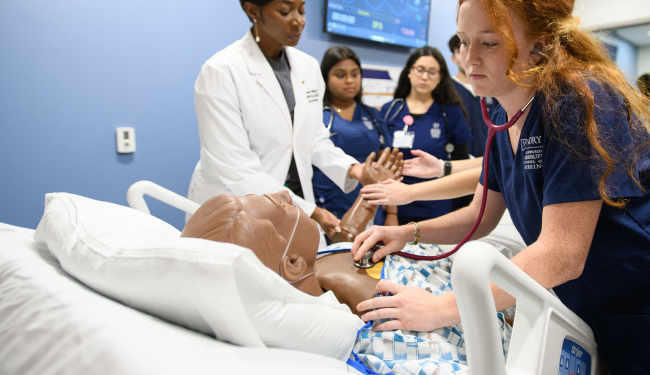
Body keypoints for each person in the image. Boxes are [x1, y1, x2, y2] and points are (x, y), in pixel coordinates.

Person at [352, 0, 650, 374]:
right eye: (464, 42)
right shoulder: (502, 115)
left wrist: (442, 309)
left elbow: (561, 254)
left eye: (489, 42)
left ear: (540, 46)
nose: (469, 59)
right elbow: (478, 216)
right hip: (621, 309)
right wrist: (405, 232)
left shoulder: (576, 99)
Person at [181, 190, 511, 374]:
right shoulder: (381, 332)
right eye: (281, 206)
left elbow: (347, 236)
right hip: (508, 299)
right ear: (293, 264)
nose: (285, 192)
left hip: (498, 281)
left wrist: (375, 200)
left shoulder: (320, 256)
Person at [188, 0, 368, 241]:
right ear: (253, 11)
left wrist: (354, 168)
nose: (298, 20)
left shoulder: (307, 68)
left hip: (295, 200)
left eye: (302, 10)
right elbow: (232, 167)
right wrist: (311, 211)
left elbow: (313, 139)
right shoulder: (221, 72)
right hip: (236, 207)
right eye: (285, 11)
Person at [381, 46, 472, 224]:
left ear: (440, 78)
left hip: (437, 207)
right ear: (409, 72)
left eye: (432, 72)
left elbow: (461, 161)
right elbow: (380, 159)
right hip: (394, 207)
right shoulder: (390, 110)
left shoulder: (450, 113)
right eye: (420, 70)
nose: (424, 77)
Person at [313, 45, 397, 228]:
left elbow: (388, 169)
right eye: (340, 75)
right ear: (326, 77)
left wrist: (391, 213)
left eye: (355, 74)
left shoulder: (374, 116)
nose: (349, 80)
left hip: (371, 211)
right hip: (329, 212)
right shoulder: (317, 115)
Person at [448, 34, 498, 158]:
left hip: (492, 158)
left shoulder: (493, 88)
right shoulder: (448, 89)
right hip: (461, 160)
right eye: (461, 51)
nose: (467, 57)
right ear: (454, 59)